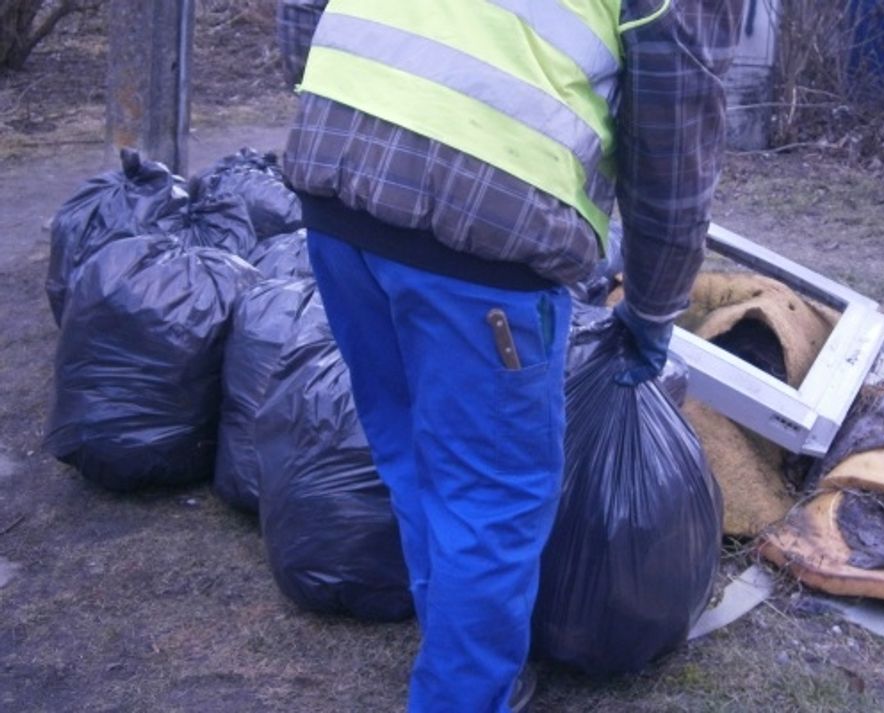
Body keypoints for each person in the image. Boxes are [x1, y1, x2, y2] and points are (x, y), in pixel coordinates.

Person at [279, 1, 742, 711]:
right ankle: (463, 692)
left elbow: (302, 11)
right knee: (490, 499)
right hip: (483, 238)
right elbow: (674, 146)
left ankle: (458, 653)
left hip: (337, 187)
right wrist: (654, 306)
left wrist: (350, 119)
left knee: (412, 456)